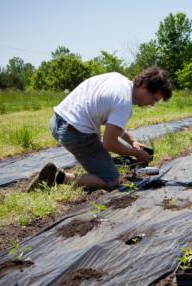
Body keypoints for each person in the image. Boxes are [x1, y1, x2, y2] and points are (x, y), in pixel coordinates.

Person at [27, 67, 172, 192]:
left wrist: (132, 141)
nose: (152, 104)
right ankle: (57, 177)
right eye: (154, 99)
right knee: (112, 181)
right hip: (75, 132)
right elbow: (109, 143)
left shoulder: (117, 79)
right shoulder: (124, 104)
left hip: (57, 121)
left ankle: (94, 167)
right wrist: (137, 153)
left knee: (104, 161)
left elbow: (110, 120)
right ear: (145, 86)